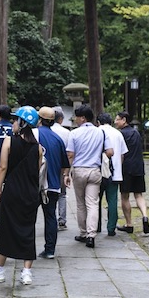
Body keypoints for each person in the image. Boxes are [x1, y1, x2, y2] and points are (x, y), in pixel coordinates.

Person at [0, 106, 44, 285]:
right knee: (28, 230)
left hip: (12, 192)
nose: (13, 123)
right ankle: (26, 272)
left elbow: (2, 167)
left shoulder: (9, 141)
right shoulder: (38, 148)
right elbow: (36, 170)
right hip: (30, 194)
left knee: (6, 229)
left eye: (16, 120)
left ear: (22, 123)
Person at [65, 105, 109, 248]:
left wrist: (66, 173)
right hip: (94, 170)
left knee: (80, 203)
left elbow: (70, 154)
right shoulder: (100, 132)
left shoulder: (74, 133)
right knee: (93, 203)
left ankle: (83, 232)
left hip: (79, 170)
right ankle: (91, 235)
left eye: (77, 117)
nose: (75, 120)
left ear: (83, 118)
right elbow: (109, 151)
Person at [36, 107, 69, 259]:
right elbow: (65, 164)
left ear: (40, 119)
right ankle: (50, 250)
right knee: (50, 216)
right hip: (54, 185)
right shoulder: (58, 139)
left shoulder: (34, 134)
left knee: (29, 216)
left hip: (35, 184)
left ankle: (26, 248)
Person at [115, 111, 149, 234]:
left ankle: (129, 224)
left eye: (117, 119)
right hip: (139, 167)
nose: (115, 122)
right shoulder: (136, 133)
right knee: (139, 195)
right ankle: (145, 216)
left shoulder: (120, 135)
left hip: (126, 168)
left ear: (124, 120)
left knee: (125, 196)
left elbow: (120, 153)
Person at [97, 112, 128, 237]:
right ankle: (111, 228)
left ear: (98, 122)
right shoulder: (118, 133)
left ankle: (96, 226)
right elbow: (122, 154)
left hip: (98, 171)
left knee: (94, 201)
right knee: (112, 200)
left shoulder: (96, 131)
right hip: (114, 173)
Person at [51, 107, 72, 230]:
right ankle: (62, 220)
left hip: (48, 166)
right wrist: (67, 171)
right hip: (62, 165)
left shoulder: (46, 131)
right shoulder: (67, 133)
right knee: (62, 194)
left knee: (49, 192)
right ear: (61, 119)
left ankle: (51, 218)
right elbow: (70, 153)